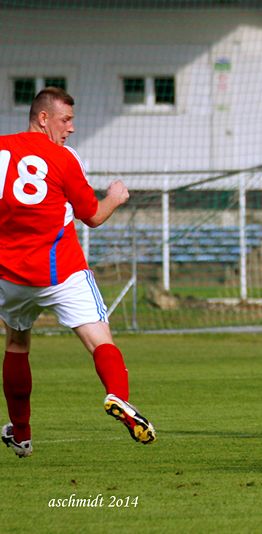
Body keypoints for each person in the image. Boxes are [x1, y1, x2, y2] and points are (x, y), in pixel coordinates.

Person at [0, 87, 156, 458]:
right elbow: (94, 217)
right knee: (100, 339)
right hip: (60, 272)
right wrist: (116, 196)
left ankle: (21, 434)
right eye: (65, 119)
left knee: (17, 343)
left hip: (11, 276)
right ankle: (118, 396)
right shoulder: (64, 158)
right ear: (43, 118)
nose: (71, 127)